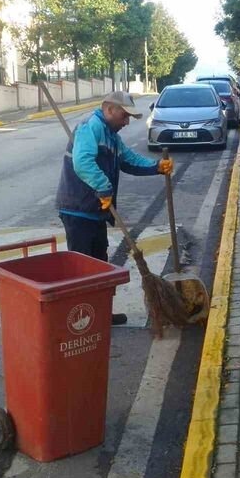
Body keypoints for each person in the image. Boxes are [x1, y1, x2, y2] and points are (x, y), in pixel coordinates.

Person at [55, 91, 173, 325]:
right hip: (78, 209)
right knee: (82, 266)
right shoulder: (91, 127)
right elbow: (83, 162)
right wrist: (104, 188)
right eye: (124, 116)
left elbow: (128, 159)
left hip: (96, 210)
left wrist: (156, 166)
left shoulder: (111, 134)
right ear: (109, 109)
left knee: (99, 263)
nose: (126, 121)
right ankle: (80, 320)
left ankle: (99, 314)